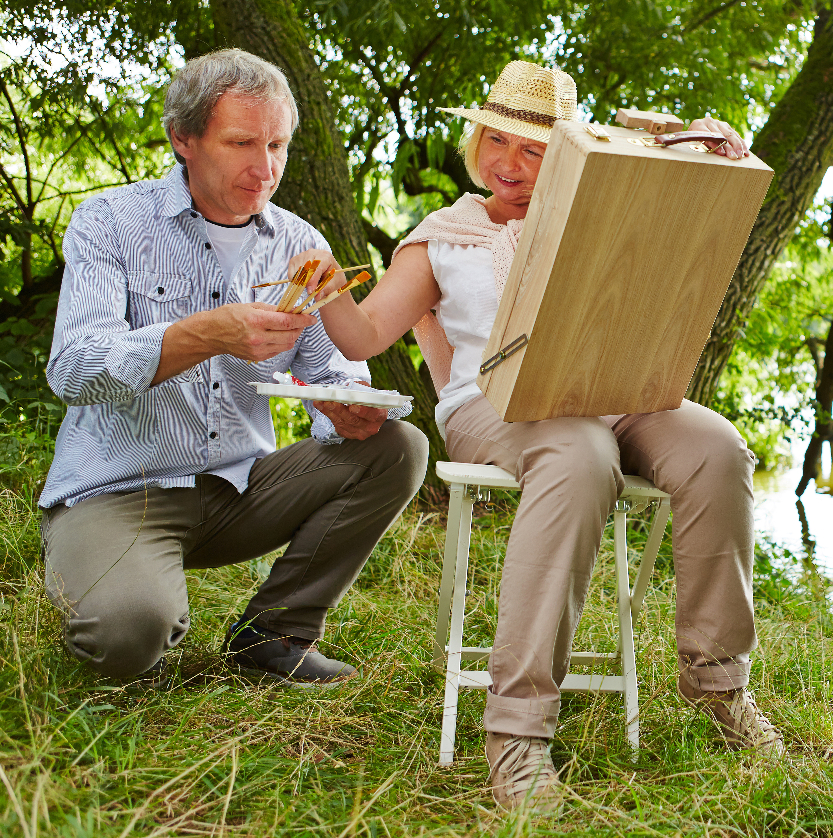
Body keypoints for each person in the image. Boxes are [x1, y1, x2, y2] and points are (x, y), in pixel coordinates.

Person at [292, 60, 781, 810]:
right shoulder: (443, 237)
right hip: (496, 406)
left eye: (533, 150)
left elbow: (698, 224)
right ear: (475, 141)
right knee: (581, 455)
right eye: (496, 141)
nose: (509, 164)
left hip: (614, 392)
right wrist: (324, 285)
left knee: (718, 448)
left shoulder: (609, 213)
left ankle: (718, 684)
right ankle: (518, 737)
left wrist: (725, 153)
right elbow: (361, 336)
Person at [39, 48, 429, 688]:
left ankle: (274, 633)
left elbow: (331, 364)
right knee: (127, 638)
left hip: (242, 488)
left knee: (398, 446)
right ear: (183, 139)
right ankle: (131, 587)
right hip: (120, 487)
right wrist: (202, 335)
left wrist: (345, 403)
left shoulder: (303, 243)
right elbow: (75, 371)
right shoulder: (109, 223)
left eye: (278, 145)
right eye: (243, 142)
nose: (265, 167)